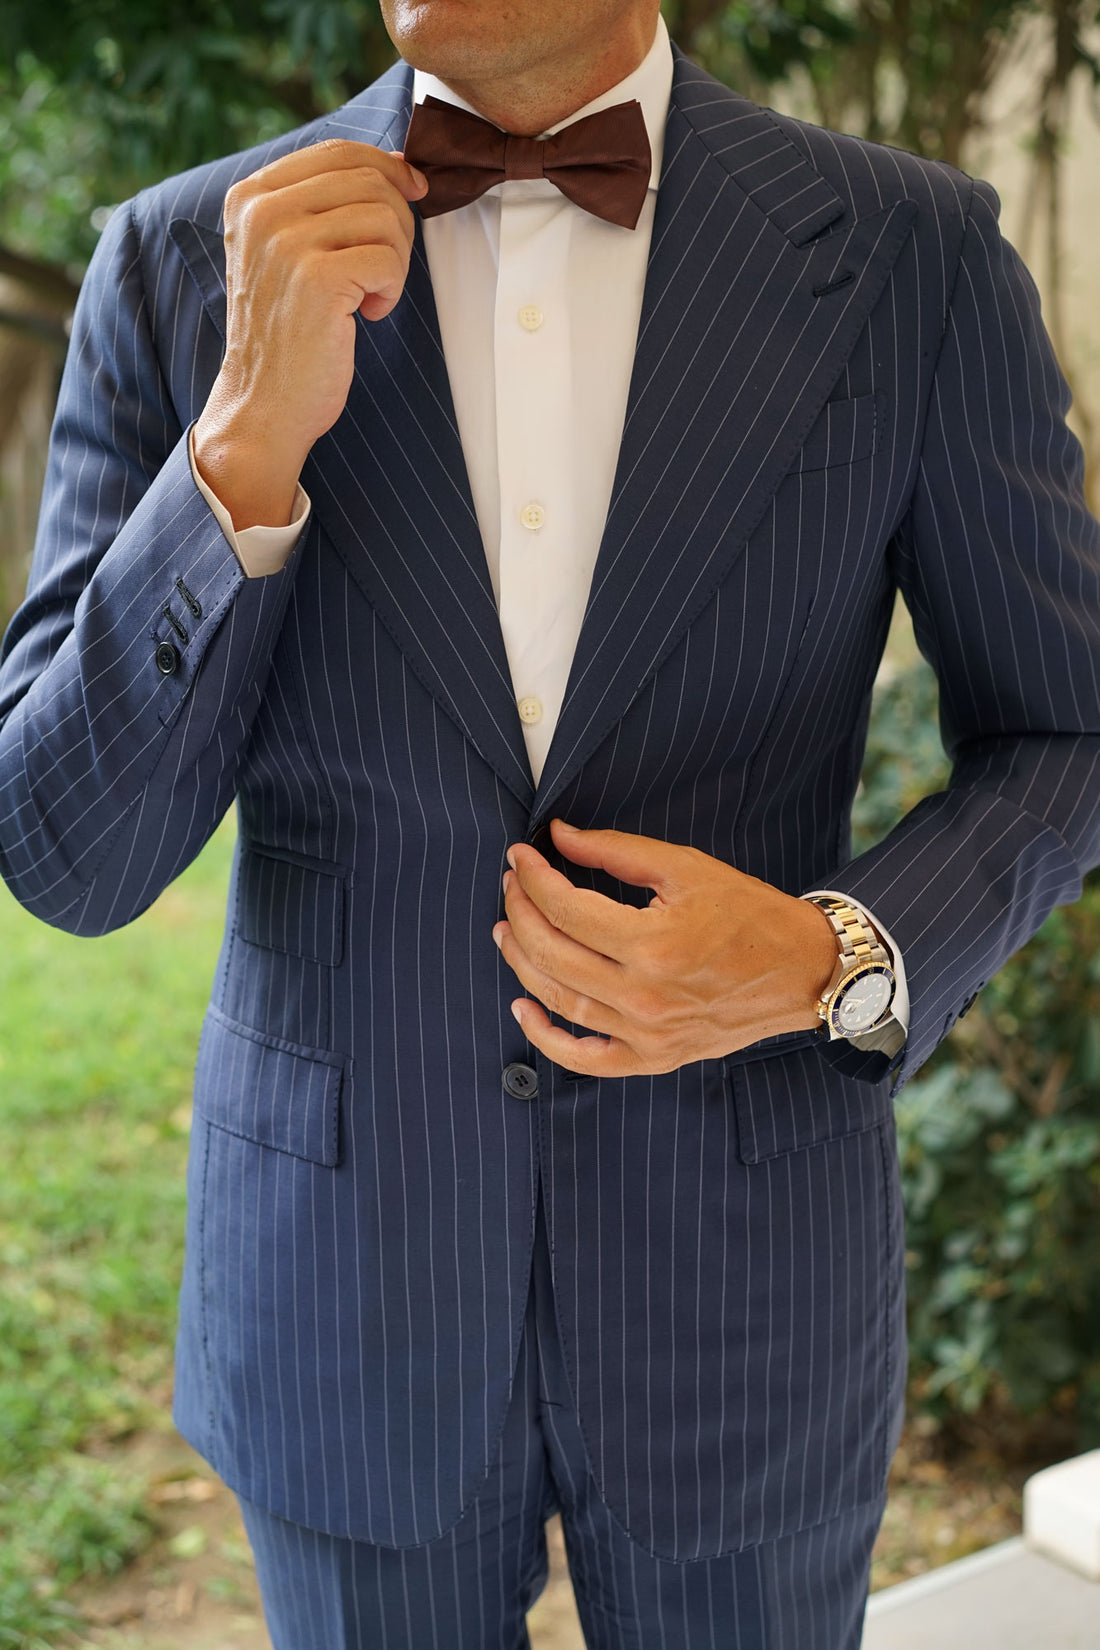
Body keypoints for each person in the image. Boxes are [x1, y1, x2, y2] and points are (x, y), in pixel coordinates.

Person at [1, 0, 1098, 1643]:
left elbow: (1064, 724)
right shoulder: (178, 261)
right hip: (346, 1298)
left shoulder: (910, 255)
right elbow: (69, 856)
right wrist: (238, 450)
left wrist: (835, 952)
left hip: (746, 1289)